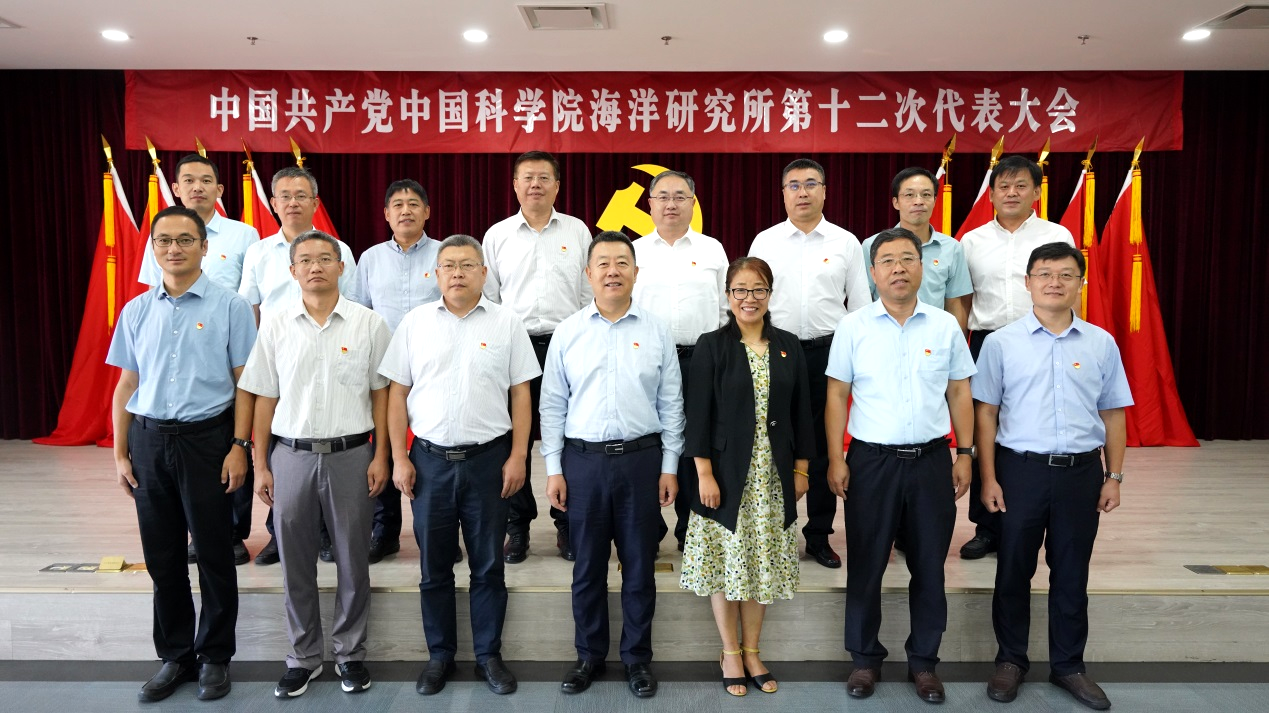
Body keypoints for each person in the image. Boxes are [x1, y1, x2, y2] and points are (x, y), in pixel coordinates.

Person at [972, 242, 1131, 711]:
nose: (1054, 282)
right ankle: (1010, 661)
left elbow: (1113, 413)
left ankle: (1069, 666)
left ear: (1081, 282)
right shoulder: (1001, 343)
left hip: (1081, 474)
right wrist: (988, 478)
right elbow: (986, 415)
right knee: (1013, 569)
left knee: (1071, 572)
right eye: (1044, 274)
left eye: (1065, 274)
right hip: (1019, 471)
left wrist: (1114, 475)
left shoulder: (1101, 342)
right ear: (1028, 282)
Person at [379, 234, 539, 696]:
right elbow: (396, 394)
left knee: (488, 566)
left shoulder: (507, 323)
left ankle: (489, 656)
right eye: (448, 265)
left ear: (484, 273)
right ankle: (440, 656)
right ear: (436, 273)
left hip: (489, 462)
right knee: (434, 568)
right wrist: (399, 457)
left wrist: (519, 456)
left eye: (467, 265)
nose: (457, 273)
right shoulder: (415, 323)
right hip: (429, 463)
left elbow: (521, 394)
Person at [108, 206, 256, 702]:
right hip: (149, 443)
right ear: (153, 248)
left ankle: (215, 657)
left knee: (214, 554)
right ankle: (175, 656)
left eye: (185, 240)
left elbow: (245, 386)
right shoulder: (136, 310)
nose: (174, 248)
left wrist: (240, 446)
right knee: (163, 557)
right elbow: (126, 384)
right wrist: (121, 452)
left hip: (208, 442)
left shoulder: (231, 307)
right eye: (164, 240)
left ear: (204, 247)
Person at [824, 228, 976, 704]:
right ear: (872, 272)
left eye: (908, 259)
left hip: (931, 461)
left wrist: (965, 453)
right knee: (866, 565)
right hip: (871, 463)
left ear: (922, 267)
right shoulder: (854, 326)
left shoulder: (944, 326)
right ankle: (864, 659)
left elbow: (959, 391)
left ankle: (924, 662)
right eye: (887, 260)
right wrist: (836, 458)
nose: (898, 269)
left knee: (929, 566)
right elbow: (837, 395)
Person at [237, 230, 391, 699]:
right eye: (305, 260)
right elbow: (265, 396)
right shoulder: (276, 324)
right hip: (291, 456)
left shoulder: (369, 324)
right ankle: (302, 657)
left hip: (352, 454)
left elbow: (382, 396)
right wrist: (261, 464)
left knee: (352, 561)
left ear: (342, 267)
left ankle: (349, 654)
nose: (316, 266)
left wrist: (381, 454)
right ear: (292, 271)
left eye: (326, 258)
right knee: (296, 564)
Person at [540, 231, 684, 699]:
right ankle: (589, 656)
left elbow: (671, 404)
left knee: (639, 566)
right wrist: (554, 468)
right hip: (583, 463)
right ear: (588, 273)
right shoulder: (568, 332)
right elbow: (552, 406)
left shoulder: (657, 330)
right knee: (587, 567)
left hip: (642, 461)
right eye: (602, 263)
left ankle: (637, 659)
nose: (612, 271)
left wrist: (669, 464)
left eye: (622, 262)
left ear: (636, 272)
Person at [680, 256, 813, 697]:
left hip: (772, 478)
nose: (749, 298)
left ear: (770, 294)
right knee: (727, 566)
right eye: (740, 289)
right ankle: (730, 652)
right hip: (725, 476)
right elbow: (697, 415)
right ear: (728, 295)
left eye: (758, 289)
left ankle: (753, 650)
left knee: (761, 566)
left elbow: (802, 413)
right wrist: (704, 473)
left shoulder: (788, 345)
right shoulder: (712, 345)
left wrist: (801, 468)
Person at [138, 154, 261, 567]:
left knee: (231, 447)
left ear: (219, 189)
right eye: (188, 180)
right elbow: (154, 293)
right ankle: (198, 532)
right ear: (175, 188)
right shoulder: (163, 233)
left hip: (228, 340)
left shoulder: (243, 234)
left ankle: (234, 533)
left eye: (206, 180)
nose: (197, 187)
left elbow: (250, 295)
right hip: (179, 346)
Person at [749, 157, 871, 569]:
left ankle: (818, 534)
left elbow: (860, 307)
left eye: (811, 184)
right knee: (773, 443)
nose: (802, 192)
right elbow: (750, 299)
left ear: (825, 191)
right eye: (794, 185)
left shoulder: (845, 242)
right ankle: (774, 533)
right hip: (775, 350)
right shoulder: (765, 242)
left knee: (822, 445)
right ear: (783, 194)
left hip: (828, 351)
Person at [958, 155, 1077, 560]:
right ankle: (986, 527)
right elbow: (963, 300)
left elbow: (1067, 288)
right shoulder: (971, 241)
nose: (1012, 193)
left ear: (1036, 192)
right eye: (1003, 186)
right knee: (983, 431)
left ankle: (1028, 520)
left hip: (1042, 340)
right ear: (991, 194)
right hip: (987, 341)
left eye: (1021, 185)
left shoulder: (1055, 234)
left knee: (1030, 431)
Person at [239, 166, 358, 565]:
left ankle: (325, 534)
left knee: (324, 443)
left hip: (331, 356)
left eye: (301, 195)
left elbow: (353, 305)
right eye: (285, 196)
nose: (293, 203)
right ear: (273, 203)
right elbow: (251, 310)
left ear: (315, 203)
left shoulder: (339, 250)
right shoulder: (258, 253)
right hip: (281, 359)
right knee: (284, 449)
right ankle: (281, 533)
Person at [482, 150, 593, 563]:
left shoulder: (577, 231)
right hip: (515, 346)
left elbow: (588, 294)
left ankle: (567, 523)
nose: (535, 185)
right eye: (527, 177)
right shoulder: (498, 235)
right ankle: (517, 526)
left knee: (570, 436)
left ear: (557, 186)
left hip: (568, 345)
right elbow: (489, 299)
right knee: (515, 440)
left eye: (544, 177)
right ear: (515, 185)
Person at [631, 169, 728, 551]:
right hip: (646, 361)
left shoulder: (712, 249)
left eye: (680, 196)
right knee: (647, 442)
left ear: (692, 203)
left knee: (695, 444)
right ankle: (649, 528)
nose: (671, 204)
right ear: (650, 204)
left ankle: (691, 527)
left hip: (700, 360)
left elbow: (726, 310)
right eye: (663, 196)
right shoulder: (634, 251)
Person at [349, 179, 443, 564]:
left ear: (427, 212)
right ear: (386, 214)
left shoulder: (444, 254)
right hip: (383, 371)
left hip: (434, 368)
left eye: (413, 203)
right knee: (383, 449)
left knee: (432, 447)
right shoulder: (370, 258)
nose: (406, 210)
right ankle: (385, 530)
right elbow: (357, 311)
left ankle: (437, 532)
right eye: (398, 204)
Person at [861, 167, 971, 333]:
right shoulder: (872, 245)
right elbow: (863, 299)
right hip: (884, 335)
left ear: (935, 200)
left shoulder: (952, 248)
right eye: (909, 195)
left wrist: (954, 341)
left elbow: (955, 304)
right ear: (895, 202)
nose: (918, 201)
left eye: (926, 195)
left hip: (934, 338)